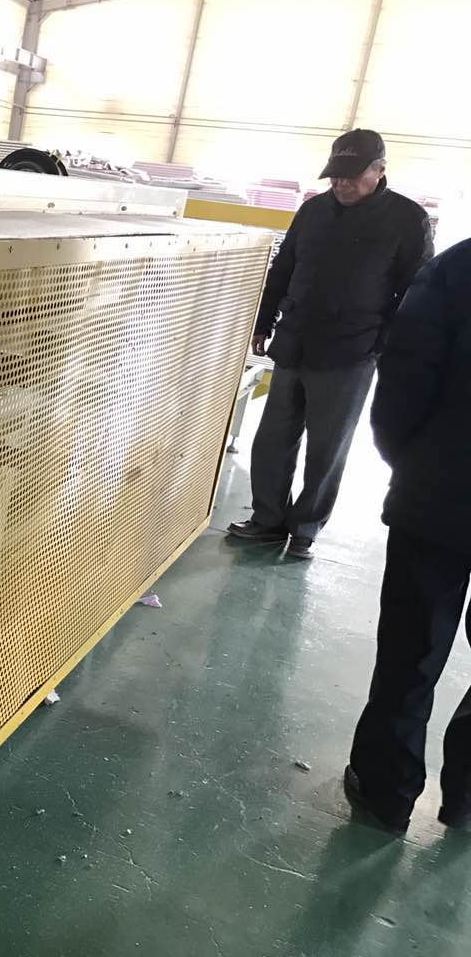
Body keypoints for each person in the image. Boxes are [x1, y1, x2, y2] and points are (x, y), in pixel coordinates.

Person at [227, 129, 433, 560]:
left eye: (351, 176)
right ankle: (267, 519)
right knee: (273, 439)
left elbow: (415, 292)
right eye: (335, 175)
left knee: (327, 447)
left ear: (379, 170)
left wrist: (382, 345)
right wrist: (263, 322)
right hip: (294, 343)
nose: (341, 183)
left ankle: (304, 529)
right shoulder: (313, 211)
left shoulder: (405, 219)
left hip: (350, 353)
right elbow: (283, 269)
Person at [344, 239, 471, 833]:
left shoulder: (457, 270)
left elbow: (402, 381)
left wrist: (413, 463)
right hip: (438, 490)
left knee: (410, 650)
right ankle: (467, 800)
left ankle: (386, 790)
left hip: (440, 495)